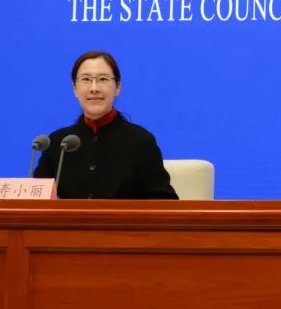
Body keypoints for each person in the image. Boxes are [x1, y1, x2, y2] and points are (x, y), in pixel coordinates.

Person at [34, 50, 178, 199]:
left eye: (102, 79)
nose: (94, 88)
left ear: (117, 87)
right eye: (86, 79)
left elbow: (165, 202)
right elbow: (35, 202)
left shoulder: (141, 142)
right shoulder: (58, 143)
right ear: (74, 89)